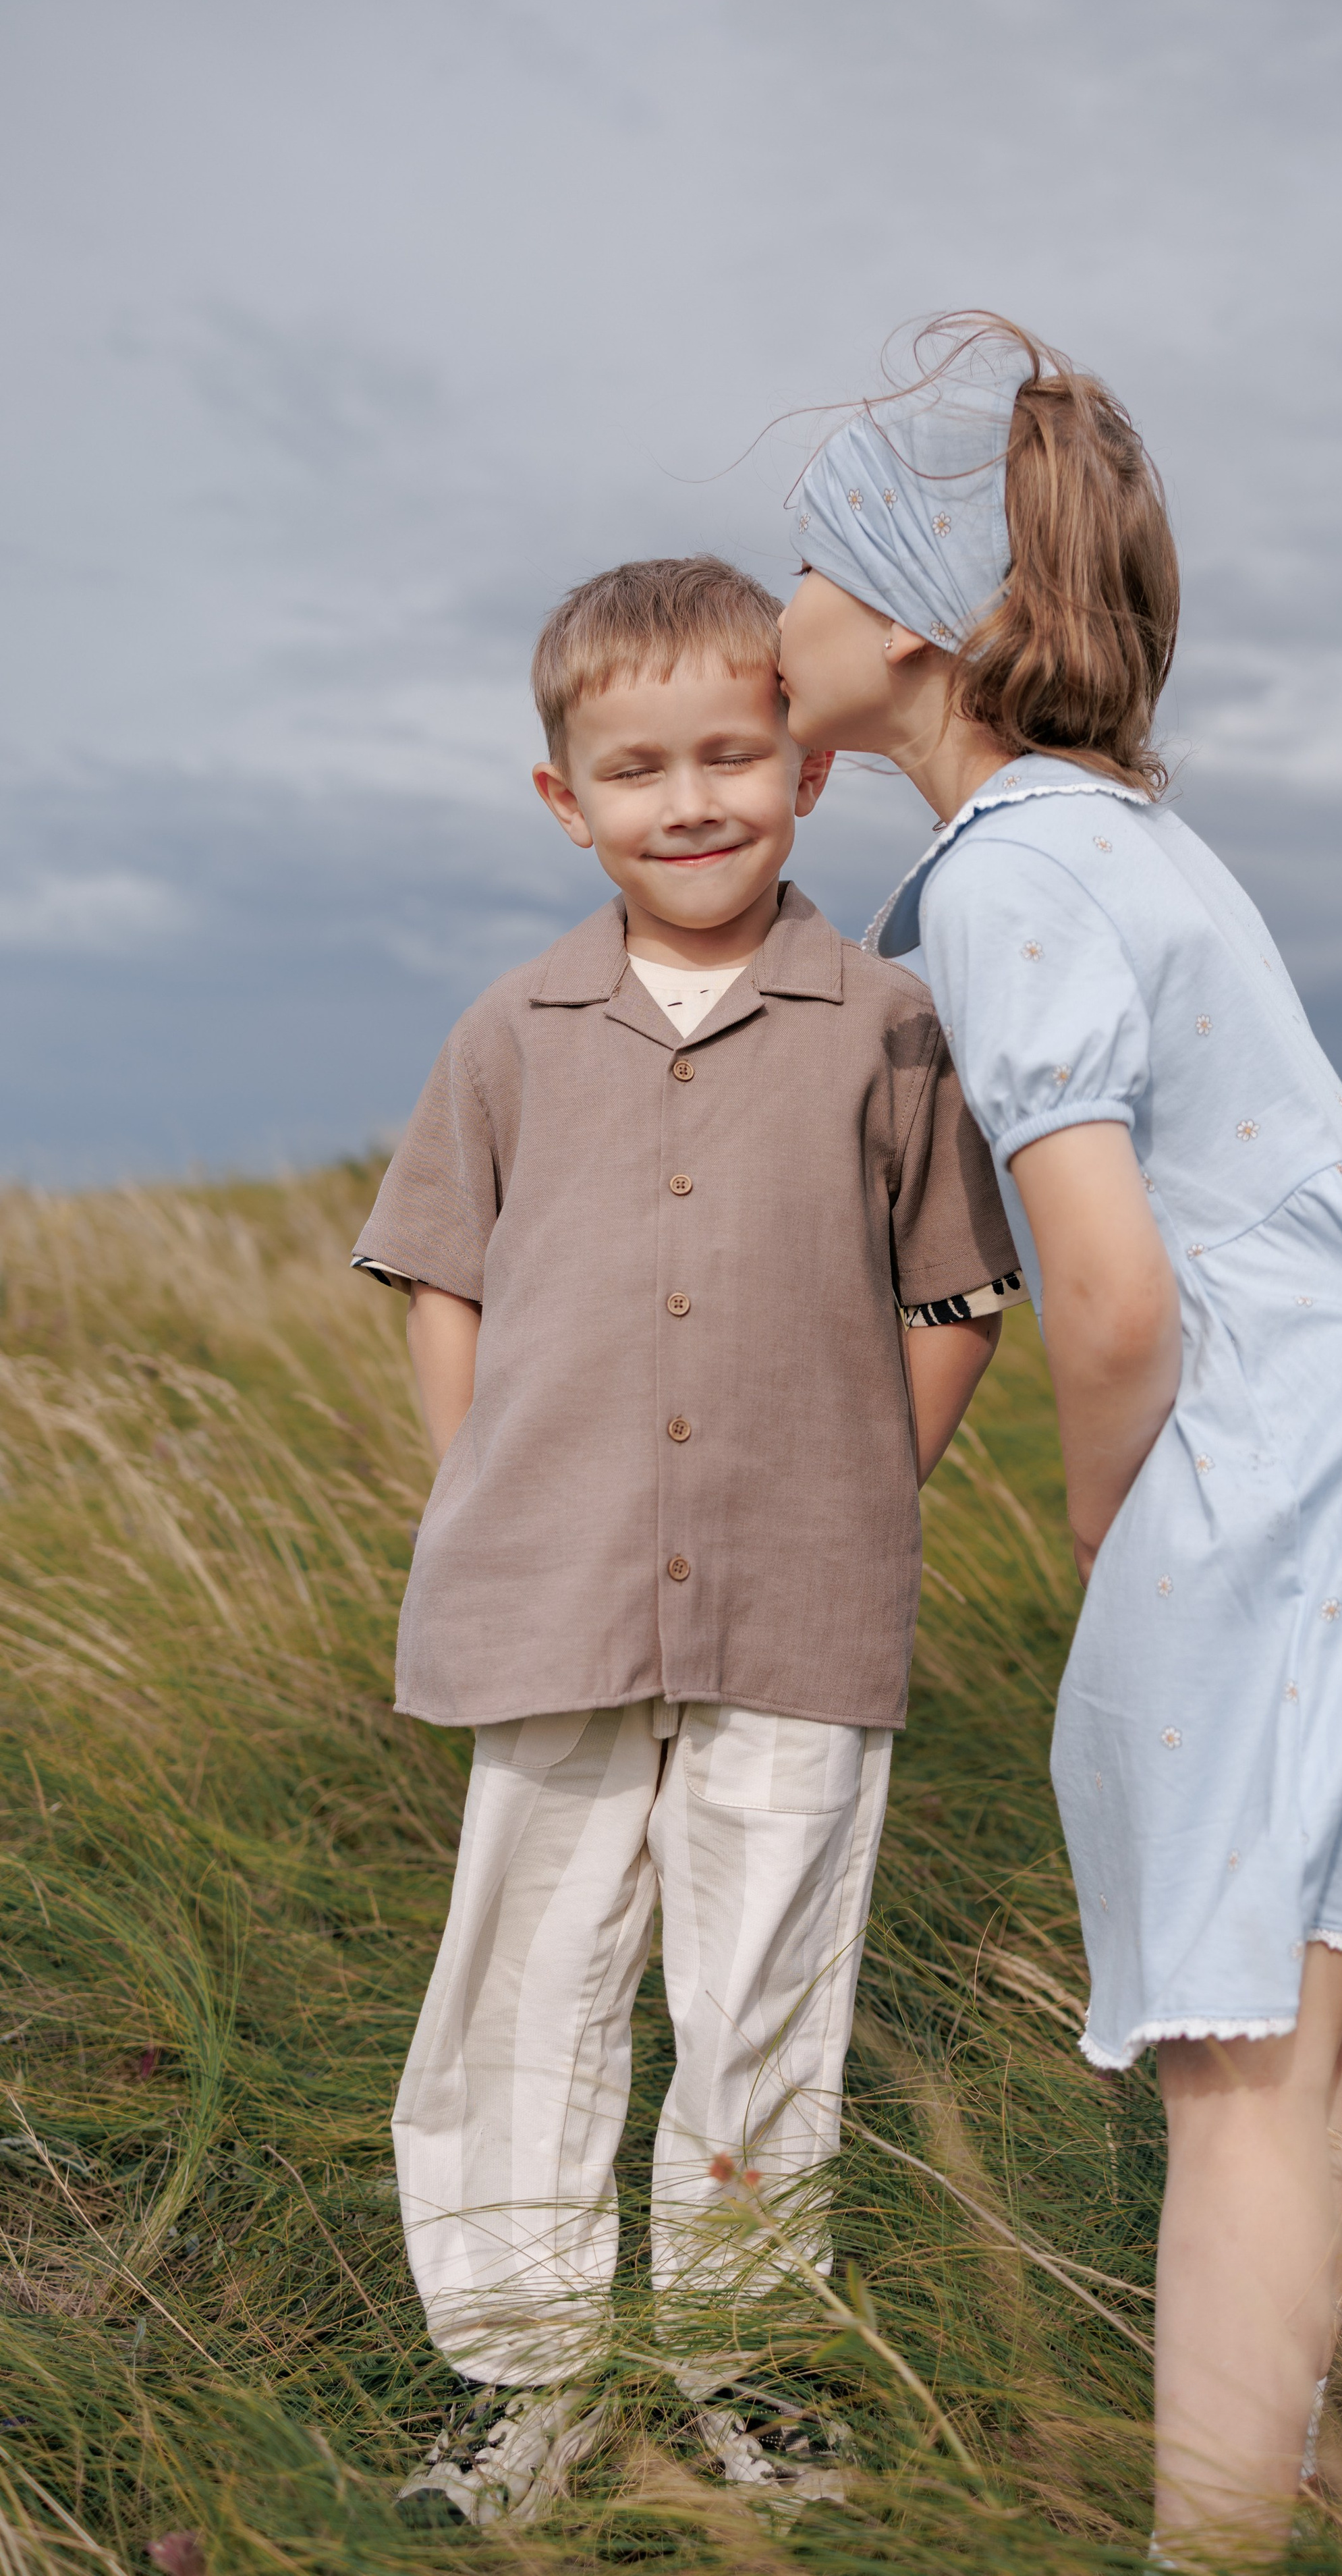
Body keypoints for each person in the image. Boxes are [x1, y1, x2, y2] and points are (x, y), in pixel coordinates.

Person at [774, 318, 1342, 2564]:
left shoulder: (1018, 879)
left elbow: (1113, 1293)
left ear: (921, 628)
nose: (775, 627)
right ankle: (1299, 2492)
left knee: (1237, 2061)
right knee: (1340, 2037)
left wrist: (1117, 1524)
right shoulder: (1125, 833)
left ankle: (1207, 2545)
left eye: (807, 579)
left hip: (1300, 1440)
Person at [352, 555, 1022, 2525]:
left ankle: (746, 2357)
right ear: (568, 800)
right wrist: (488, 1499)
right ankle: (522, 2372)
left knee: (764, 1988)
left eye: (735, 751)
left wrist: (861, 1494)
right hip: (540, 1595)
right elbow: (440, 1280)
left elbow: (959, 1300)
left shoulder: (885, 1021)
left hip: (803, 1605)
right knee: (525, 1978)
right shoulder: (514, 1029)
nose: (694, 798)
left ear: (806, 769)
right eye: (638, 768)